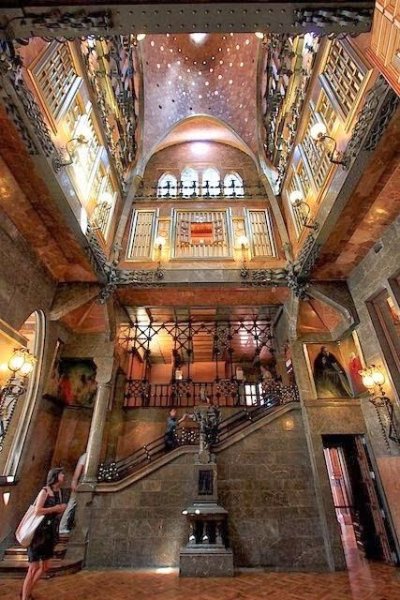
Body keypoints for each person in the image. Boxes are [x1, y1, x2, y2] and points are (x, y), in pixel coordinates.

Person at [21, 467, 67, 600]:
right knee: (33, 567)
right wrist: (55, 508)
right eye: (61, 474)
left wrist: (60, 510)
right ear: (55, 476)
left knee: (45, 566)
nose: (63, 476)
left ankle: (28, 591)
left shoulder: (58, 492)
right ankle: (25, 597)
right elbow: (37, 511)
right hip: (38, 533)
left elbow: (54, 512)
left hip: (49, 533)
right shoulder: (45, 491)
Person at [59, 452, 87, 534]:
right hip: (81, 483)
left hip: (82, 483)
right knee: (72, 504)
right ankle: (62, 526)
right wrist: (74, 482)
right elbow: (78, 470)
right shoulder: (85, 456)